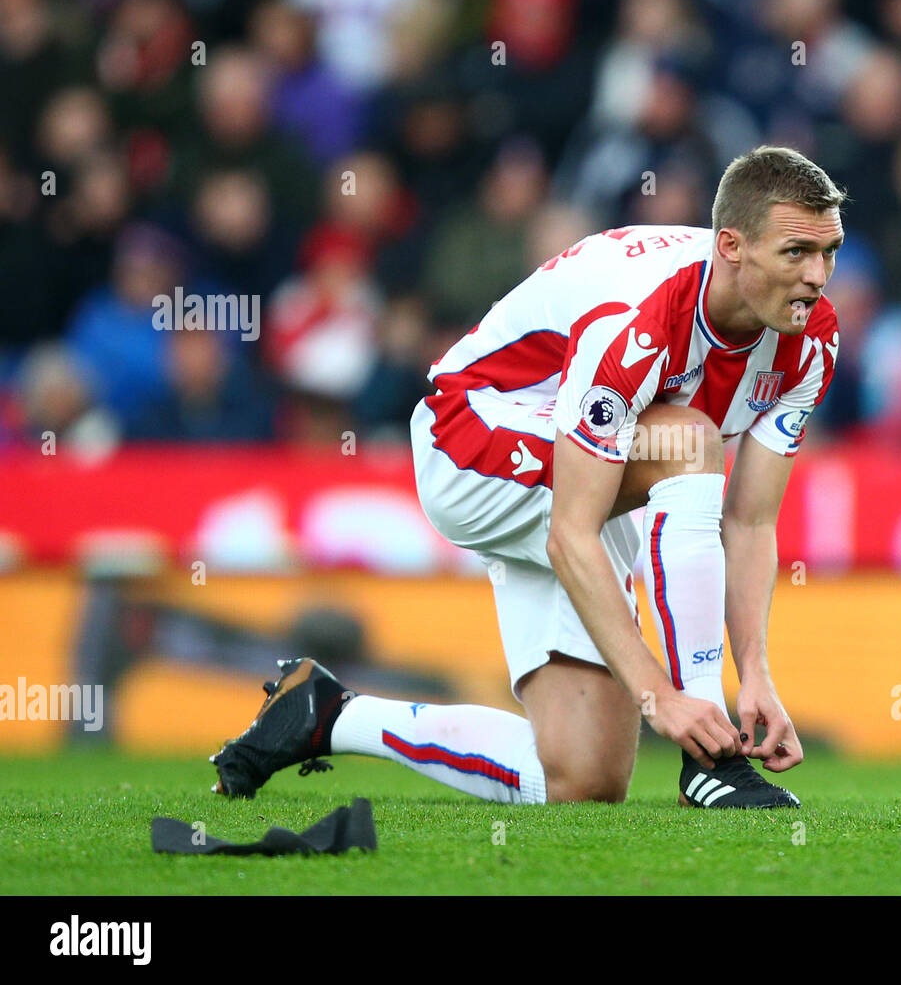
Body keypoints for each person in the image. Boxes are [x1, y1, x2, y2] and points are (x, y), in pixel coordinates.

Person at [211, 146, 845, 809]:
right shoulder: (637, 314)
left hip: (596, 470)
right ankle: (712, 763)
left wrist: (759, 678)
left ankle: (327, 714)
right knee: (689, 440)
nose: (817, 276)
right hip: (471, 438)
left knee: (581, 779)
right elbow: (572, 532)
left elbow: (748, 521)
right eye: (796, 253)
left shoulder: (814, 338)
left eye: (828, 252)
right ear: (732, 246)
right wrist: (664, 697)